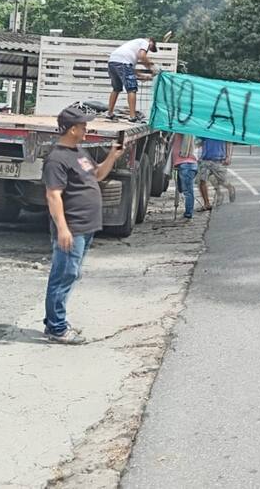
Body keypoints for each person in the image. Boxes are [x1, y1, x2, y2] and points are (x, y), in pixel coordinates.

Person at [42, 104, 124, 344]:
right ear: (70, 129)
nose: (86, 128)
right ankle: (57, 328)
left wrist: (112, 156)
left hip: (87, 226)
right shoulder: (56, 159)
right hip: (73, 226)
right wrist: (63, 228)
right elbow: (53, 195)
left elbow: (97, 175)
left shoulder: (79, 152)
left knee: (71, 273)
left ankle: (54, 323)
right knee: (64, 274)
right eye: (82, 125)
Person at [106, 37, 158, 122]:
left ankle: (109, 113)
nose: (148, 50)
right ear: (150, 41)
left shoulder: (131, 46)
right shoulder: (145, 42)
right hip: (123, 63)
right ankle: (132, 117)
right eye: (150, 48)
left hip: (112, 61)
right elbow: (142, 56)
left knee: (116, 88)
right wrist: (152, 68)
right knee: (132, 89)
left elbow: (130, 70)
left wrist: (142, 76)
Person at [198, 137, 233, 210]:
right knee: (202, 181)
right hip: (205, 159)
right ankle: (206, 203)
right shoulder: (205, 127)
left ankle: (230, 188)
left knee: (222, 182)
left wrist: (228, 157)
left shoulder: (221, 127)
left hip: (219, 160)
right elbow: (198, 142)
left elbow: (229, 141)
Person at [171, 133, 198, 220]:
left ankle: (188, 213)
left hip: (186, 164)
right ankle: (188, 212)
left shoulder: (184, 129)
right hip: (185, 164)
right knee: (184, 190)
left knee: (188, 191)